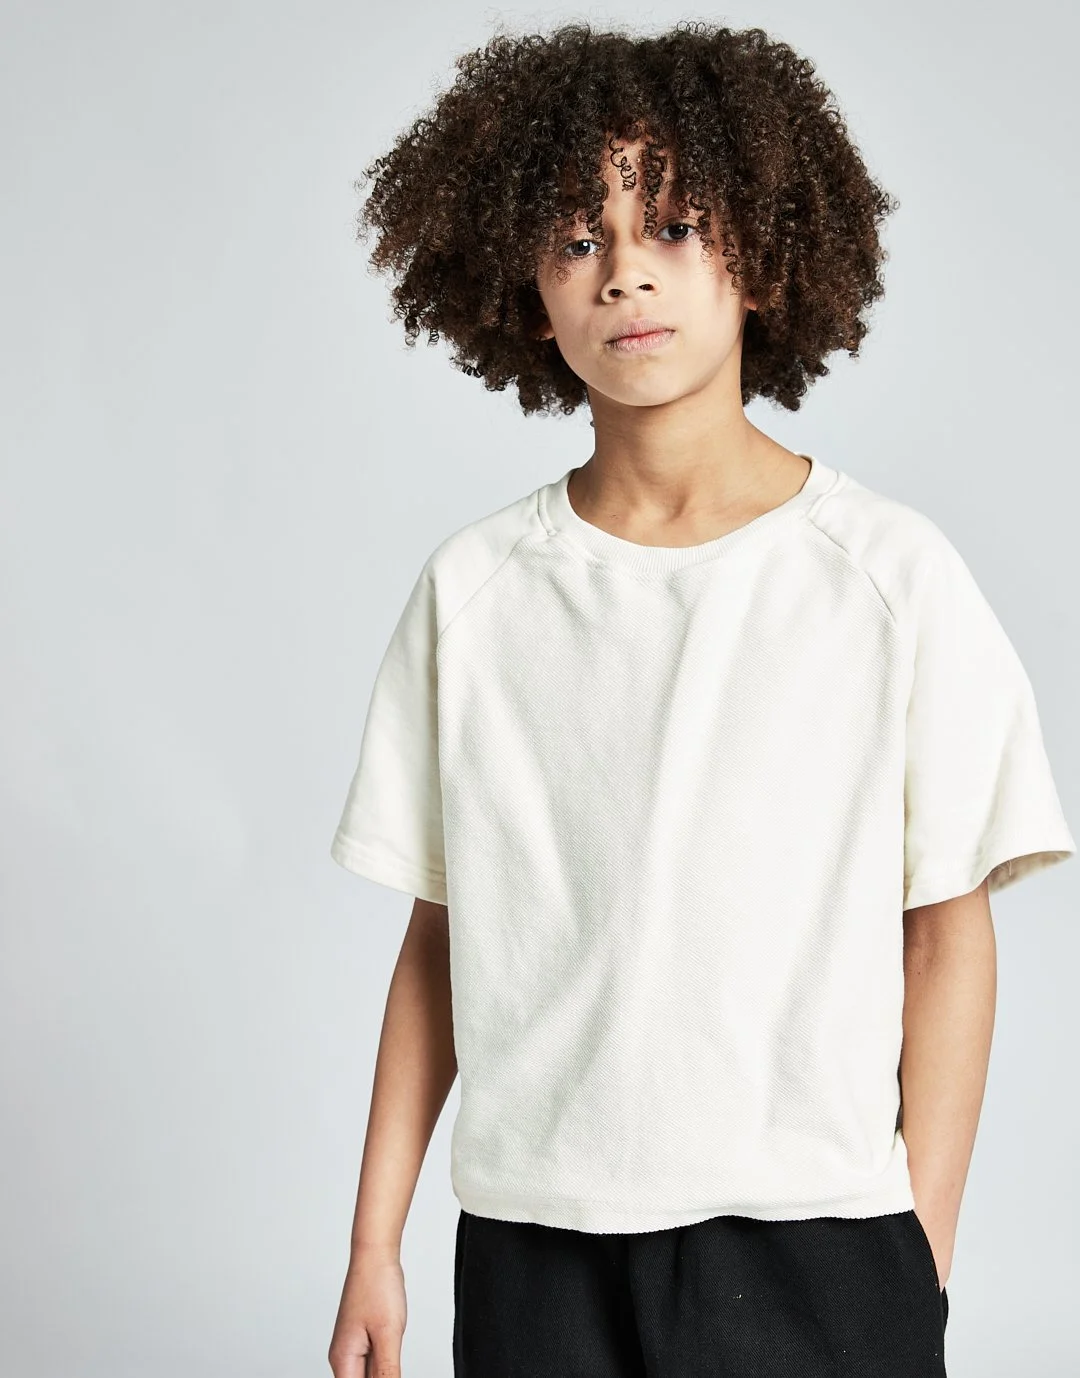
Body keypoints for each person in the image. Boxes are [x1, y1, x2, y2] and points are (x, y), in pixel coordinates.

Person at [325, 21, 1075, 1378]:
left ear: (764, 254)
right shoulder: (478, 591)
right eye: (576, 237)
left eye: (672, 222)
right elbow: (444, 939)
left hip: (819, 1243)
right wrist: (375, 1239)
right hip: (534, 1240)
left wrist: (923, 1250)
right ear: (521, 284)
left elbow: (946, 934)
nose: (625, 274)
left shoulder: (890, 579)